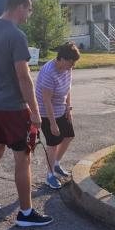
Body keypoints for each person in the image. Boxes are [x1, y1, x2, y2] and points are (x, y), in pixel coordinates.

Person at [0, 0, 54, 227]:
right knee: (23, 158)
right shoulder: (16, 35)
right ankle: (26, 213)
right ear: (20, 6)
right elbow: (23, 76)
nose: (29, 13)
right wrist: (36, 113)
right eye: (29, 9)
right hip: (13, 107)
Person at [36, 42, 80, 190]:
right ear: (62, 59)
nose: (72, 66)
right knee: (53, 143)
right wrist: (53, 124)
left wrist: (69, 109)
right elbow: (46, 100)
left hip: (61, 108)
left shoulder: (67, 69)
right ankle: (50, 176)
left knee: (68, 135)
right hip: (46, 112)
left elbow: (68, 90)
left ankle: (56, 164)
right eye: (71, 63)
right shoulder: (48, 72)